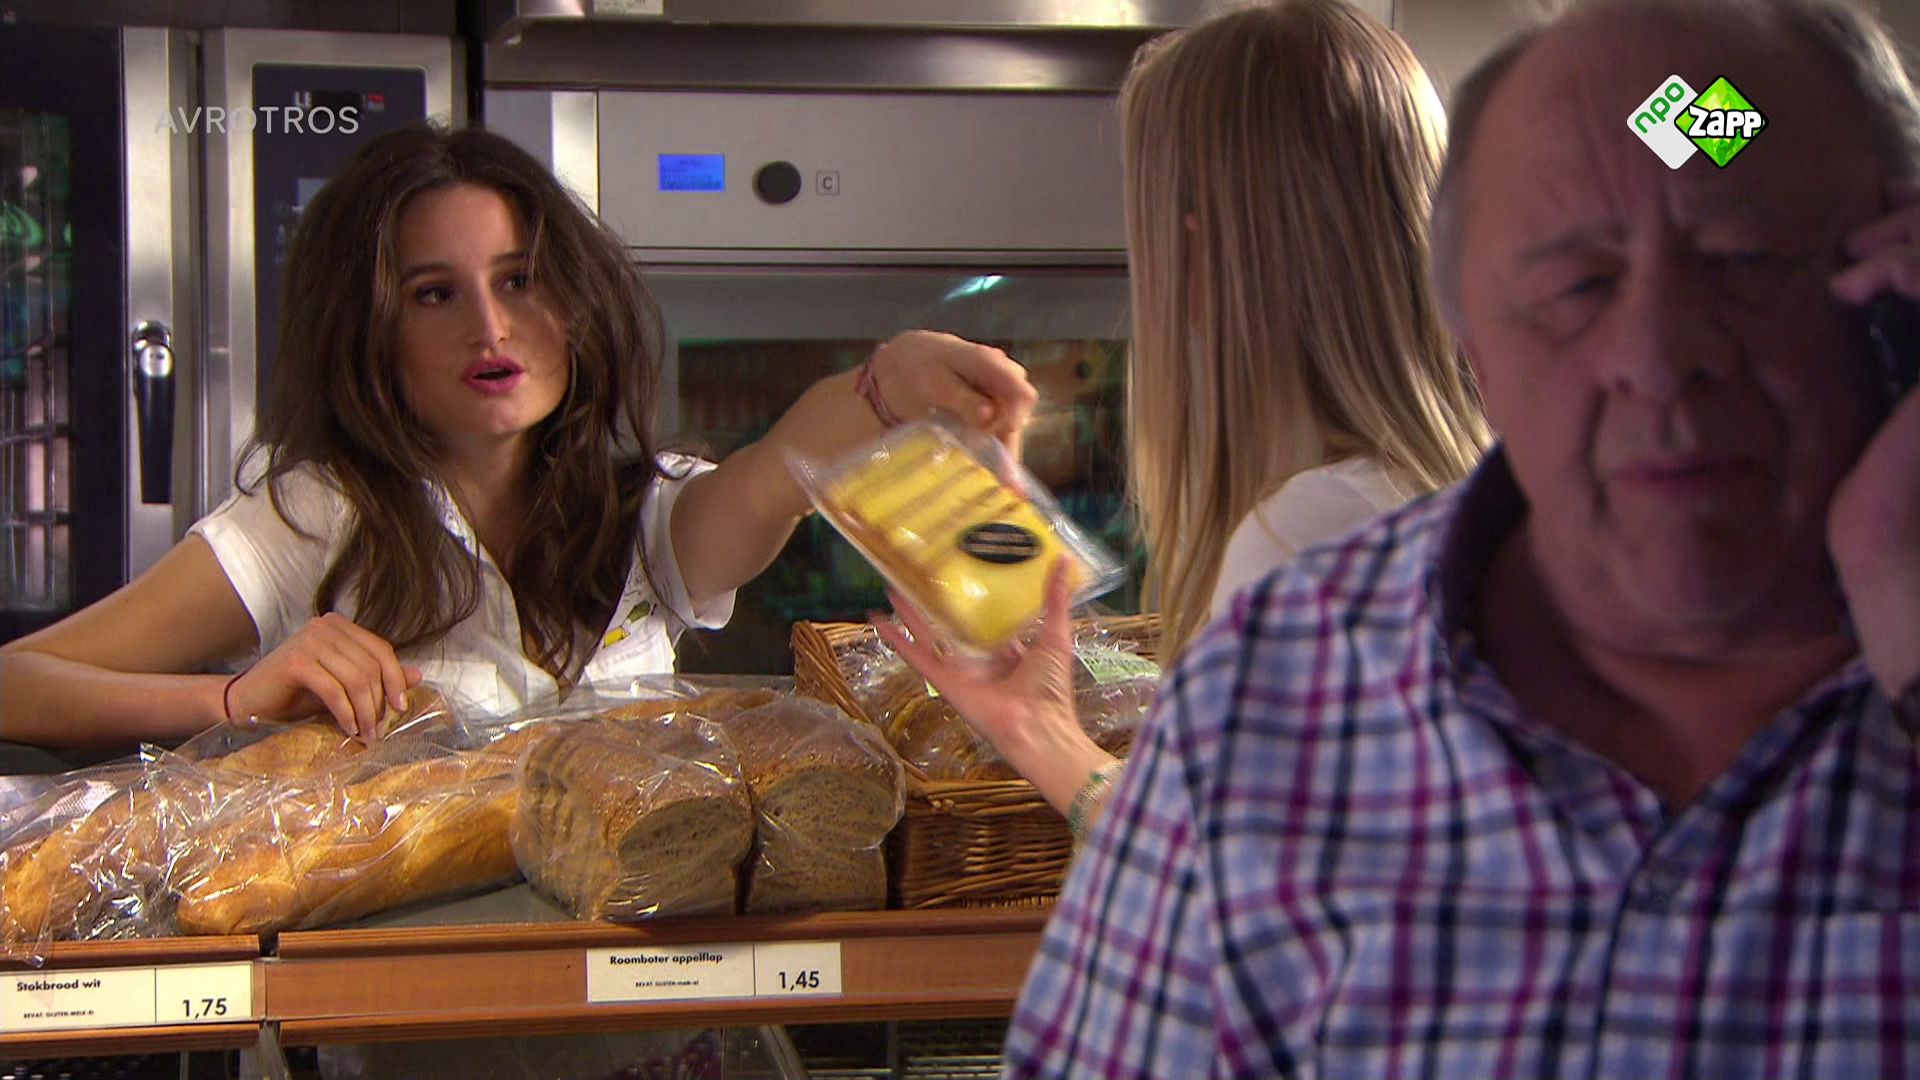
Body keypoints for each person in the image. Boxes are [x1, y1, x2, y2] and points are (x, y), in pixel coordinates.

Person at [1003, 0, 1920, 1074]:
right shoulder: (1321, 598)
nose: (1658, 356)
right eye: (1579, 276)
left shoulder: (1298, 566)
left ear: (1195, 260)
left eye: (1745, 257)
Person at [0, 123, 1035, 750]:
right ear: (369, 332)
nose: (491, 329)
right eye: (434, 293)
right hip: (415, 1016)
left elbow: (775, 475)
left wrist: (885, 385)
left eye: (519, 280)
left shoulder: (644, 517)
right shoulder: (314, 516)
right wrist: (236, 698)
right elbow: (19, 684)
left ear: (572, 303)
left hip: (655, 1014)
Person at [878, 0, 1489, 836]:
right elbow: (1231, 847)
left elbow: (1222, 889)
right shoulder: (1450, 496)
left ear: (1199, 255)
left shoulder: (1313, 540)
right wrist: (1040, 728)